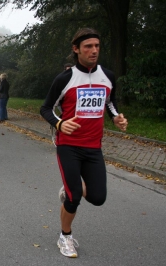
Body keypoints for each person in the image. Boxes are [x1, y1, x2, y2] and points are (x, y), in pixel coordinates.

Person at [40, 28, 128, 258]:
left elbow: (110, 102)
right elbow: (46, 108)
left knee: (98, 198)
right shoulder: (65, 79)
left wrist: (116, 117)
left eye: (97, 46)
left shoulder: (107, 76)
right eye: (88, 46)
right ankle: (65, 236)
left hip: (93, 146)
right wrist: (60, 124)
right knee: (74, 197)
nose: (94, 50)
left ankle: (71, 189)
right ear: (76, 49)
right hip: (68, 145)